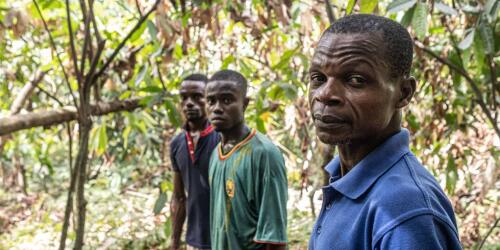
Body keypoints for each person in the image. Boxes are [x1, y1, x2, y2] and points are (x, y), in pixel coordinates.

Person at [307, 14, 462, 249]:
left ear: (403, 93)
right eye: (318, 78)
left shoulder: (405, 209)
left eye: (356, 80)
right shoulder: (345, 174)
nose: (325, 94)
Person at [206, 70, 288, 250]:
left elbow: (274, 238)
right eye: (211, 101)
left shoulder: (264, 154)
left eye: (227, 100)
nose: (217, 108)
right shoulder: (215, 154)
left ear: (244, 104)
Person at [170, 73, 219, 250]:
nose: (189, 103)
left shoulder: (223, 138)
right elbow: (178, 197)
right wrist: (174, 241)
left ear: (209, 100)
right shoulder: (177, 144)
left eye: (197, 97)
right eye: (184, 98)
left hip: (225, 239)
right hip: (194, 240)